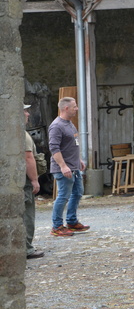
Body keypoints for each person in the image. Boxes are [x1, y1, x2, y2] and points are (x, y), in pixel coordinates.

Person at [49, 97, 89, 237]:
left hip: (74, 167)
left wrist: (78, 161)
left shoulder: (69, 124)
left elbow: (72, 145)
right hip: (64, 169)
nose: (77, 109)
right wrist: (63, 166)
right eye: (74, 106)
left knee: (77, 193)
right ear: (66, 108)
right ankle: (57, 226)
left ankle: (72, 221)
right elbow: (54, 148)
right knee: (63, 196)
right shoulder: (56, 126)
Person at [23, 105, 44, 258]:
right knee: (27, 215)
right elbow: (28, 158)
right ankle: (27, 249)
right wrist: (35, 180)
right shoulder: (22, 135)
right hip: (24, 182)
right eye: (24, 111)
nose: (27, 113)